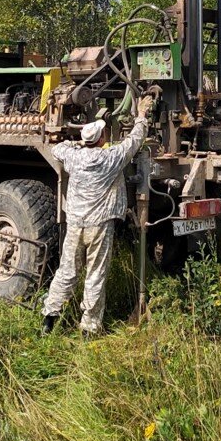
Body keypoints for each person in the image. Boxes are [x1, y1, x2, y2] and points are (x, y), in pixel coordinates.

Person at [41, 94, 154, 336]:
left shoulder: (74, 156)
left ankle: (49, 320)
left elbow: (58, 149)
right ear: (102, 138)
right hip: (99, 227)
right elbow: (134, 141)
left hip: (75, 225)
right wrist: (142, 116)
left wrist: (79, 145)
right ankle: (89, 328)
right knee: (95, 275)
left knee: (67, 272)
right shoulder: (110, 158)